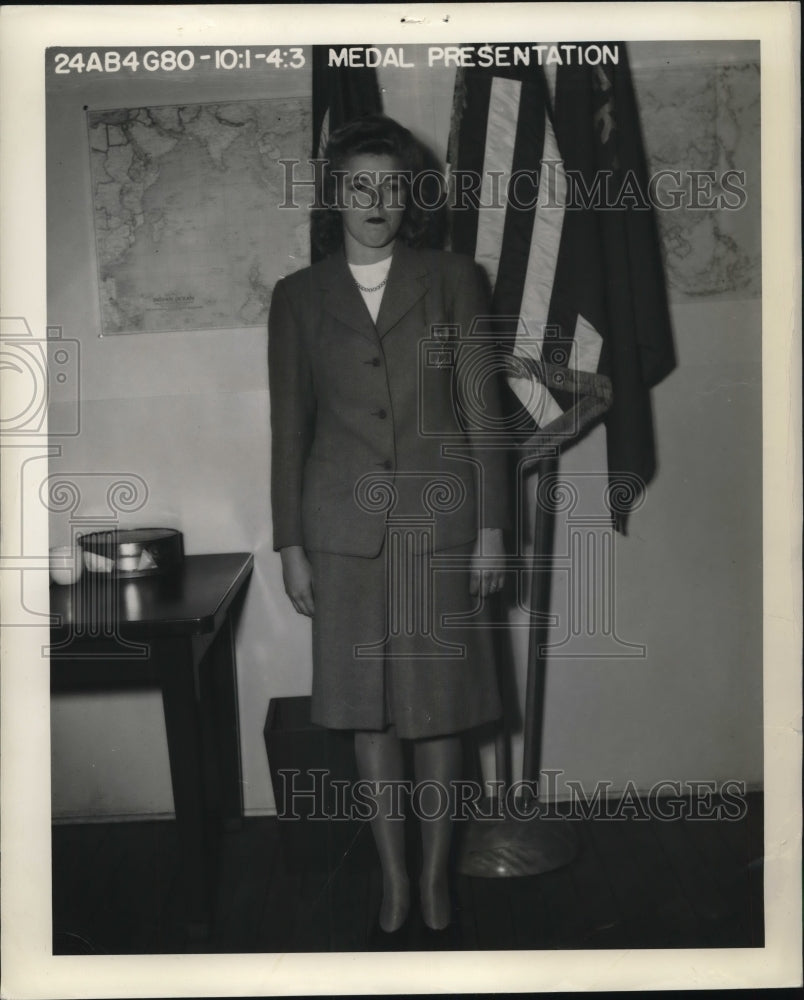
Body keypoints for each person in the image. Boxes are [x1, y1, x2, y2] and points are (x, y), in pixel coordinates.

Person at [268, 114, 508, 943]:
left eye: (391, 185)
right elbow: (288, 428)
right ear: (335, 196)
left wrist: (492, 531)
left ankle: (440, 882)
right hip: (343, 537)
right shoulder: (299, 297)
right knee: (367, 716)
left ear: (412, 197)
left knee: (439, 714)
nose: (376, 201)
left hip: (442, 529)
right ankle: (394, 881)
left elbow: (483, 417)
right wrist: (292, 545)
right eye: (358, 185)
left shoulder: (454, 278)